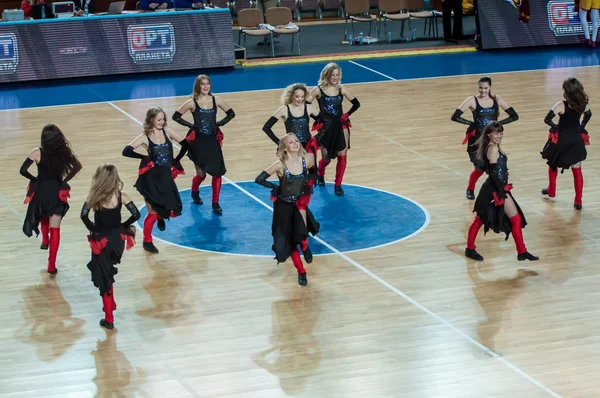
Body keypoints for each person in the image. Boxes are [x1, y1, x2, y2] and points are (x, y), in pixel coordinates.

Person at [465, 122, 538, 262]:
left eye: (501, 133)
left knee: (515, 219)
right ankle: (470, 248)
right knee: (480, 219)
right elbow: (492, 172)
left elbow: (497, 169)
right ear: (489, 134)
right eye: (496, 133)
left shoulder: (494, 147)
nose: (499, 136)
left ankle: (522, 251)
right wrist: (501, 190)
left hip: (498, 188)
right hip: (493, 190)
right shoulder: (492, 149)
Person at [255, 133, 319, 286]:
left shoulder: (308, 160)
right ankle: (301, 271)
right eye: (291, 142)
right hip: (283, 207)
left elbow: (315, 174)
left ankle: (305, 247)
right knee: (290, 243)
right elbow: (259, 179)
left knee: (302, 235)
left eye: (296, 140)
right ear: (285, 148)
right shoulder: (279, 165)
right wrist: (276, 187)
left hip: (299, 204)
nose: (295, 143)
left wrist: (307, 188)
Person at [80, 164, 140, 330]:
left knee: (105, 278)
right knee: (108, 273)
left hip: (101, 242)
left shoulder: (95, 197)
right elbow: (136, 214)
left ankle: (109, 318)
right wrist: (123, 226)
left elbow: (83, 215)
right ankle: (110, 305)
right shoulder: (122, 196)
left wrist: (93, 229)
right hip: (117, 241)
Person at [122, 107, 187, 253]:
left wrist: (176, 160)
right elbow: (126, 151)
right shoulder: (145, 137)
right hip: (150, 179)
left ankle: (160, 217)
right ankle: (147, 241)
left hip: (166, 177)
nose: (162, 122)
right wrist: (144, 157)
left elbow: (186, 144)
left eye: (164, 119)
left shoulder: (168, 131)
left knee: (173, 208)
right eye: (159, 119)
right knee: (152, 212)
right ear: (151, 119)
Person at [21, 124, 82, 274]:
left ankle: (44, 240)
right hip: (56, 192)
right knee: (56, 229)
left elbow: (22, 170)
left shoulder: (37, 152)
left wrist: (34, 179)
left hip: (41, 191)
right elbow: (77, 166)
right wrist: (64, 181)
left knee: (42, 215)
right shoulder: (63, 152)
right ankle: (51, 265)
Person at [172, 74, 235, 214]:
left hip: (213, 140)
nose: (206, 86)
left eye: (208, 83)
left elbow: (231, 114)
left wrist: (218, 124)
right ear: (198, 86)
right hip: (198, 142)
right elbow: (175, 116)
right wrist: (191, 126)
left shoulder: (216, 100)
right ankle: (194, 192)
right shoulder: (191, 102)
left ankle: (215, 203)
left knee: (217, 174)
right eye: (203, 84)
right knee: (201, 175)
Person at [451, 76, 519, 199]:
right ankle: (470, 188)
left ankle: (496, 192)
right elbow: (455, 116)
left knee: (496, 167)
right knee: (479, 168)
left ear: (490, 87)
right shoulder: (472, 100)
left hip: (491, 141)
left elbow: (514, 116)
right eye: (481, 88)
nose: (483, 91)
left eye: (486, 88)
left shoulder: (497, 99)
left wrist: (497, 125)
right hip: (477, 141)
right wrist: (471, 124)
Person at [262, 83, 320, 213]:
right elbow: (266, 127)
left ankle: (303, 205)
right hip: (292, 150)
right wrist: (280, 143)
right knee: (290, 177)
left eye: (302, 96)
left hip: (307, 148)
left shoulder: (309, 108)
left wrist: (318, 137)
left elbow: (325, 121)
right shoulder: (284, 109)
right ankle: (289, 202)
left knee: (309, 175)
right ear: (291, 96)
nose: (299, 99)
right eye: (297, 96)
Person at [309, 63, 360, 196]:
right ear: (327, 75)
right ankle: (320, 173)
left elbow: (356, 103)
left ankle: (338, 185)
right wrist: (318, 117)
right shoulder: (317, 90)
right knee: (326, 158)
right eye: (333, 75)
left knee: (342, 156)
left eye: (337, 75)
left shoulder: (341, 89)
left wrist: (346, 115)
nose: (335, 78)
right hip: (326, 128)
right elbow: (305, 105)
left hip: (341, 126)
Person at [541, 77, 591, 210]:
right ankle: (578, 200)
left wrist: (556, 127)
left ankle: (551, 190)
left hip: (562, 140)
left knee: (552, 164)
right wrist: (582, 126)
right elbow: (588, 114)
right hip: (576, 140)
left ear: (567, 91)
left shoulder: (561, 105)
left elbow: (547, 119)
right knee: (577, 169)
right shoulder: (583, 103)